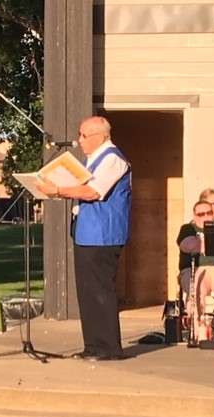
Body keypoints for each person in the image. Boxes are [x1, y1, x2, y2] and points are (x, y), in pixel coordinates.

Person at [36, 116, 131, 361]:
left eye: (83, 136)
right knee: (88, 292)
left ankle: (108, 347)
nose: (79, 140)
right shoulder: (92, 160)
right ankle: (93, 345)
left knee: (100, 291)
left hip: (104, 235)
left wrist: (57, 190)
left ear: (100, 136)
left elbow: (92, 191)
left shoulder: (112, 159)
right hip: (87, 234)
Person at [177, 200, 214, 341]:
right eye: (201, 214)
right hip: (195, 269)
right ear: (195, 216)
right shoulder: (188, 228)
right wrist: (213, 242)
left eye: (209, 213)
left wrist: (202, 244)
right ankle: (198, 328)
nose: (205, 216)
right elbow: (187, 246)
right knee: (197, 289)